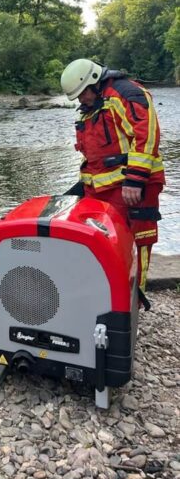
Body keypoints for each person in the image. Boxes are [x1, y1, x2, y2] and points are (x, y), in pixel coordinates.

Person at [60, 59, 165, 304]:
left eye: (82, 94)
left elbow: (146, 136)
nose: (80, 100)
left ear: (94, 81)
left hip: (134, 188)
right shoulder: (94, 105)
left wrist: (136, 180)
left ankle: (132, 303)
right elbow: (96, 156)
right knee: (101, 242)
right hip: (103, 190)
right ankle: (103, 296)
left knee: (138, 243)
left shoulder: (126, 94)